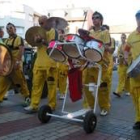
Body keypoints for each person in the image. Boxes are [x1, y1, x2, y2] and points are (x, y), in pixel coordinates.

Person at [24, 15, 58, 113]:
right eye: (39, 23)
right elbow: (33, 44)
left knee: (51, 86)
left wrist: (42, 41)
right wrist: (34, 40)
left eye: (42, 23)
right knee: (36, 85)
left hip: (50, 63)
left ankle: (52, 105)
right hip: (39, 63)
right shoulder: (39, 32)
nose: (40, 25)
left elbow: (52, 46)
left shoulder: (53, 31)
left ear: (47, 22)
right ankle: (33, 105)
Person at [80, 11, 111, 116]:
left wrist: (98, 45)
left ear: (101, 20)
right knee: (86, 85)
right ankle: (90, 107)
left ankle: (104, 107)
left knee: (102, 87)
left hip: (101, 63)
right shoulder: (90, 32)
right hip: (90, 62)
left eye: (97, 17)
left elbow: (108, 47)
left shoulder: (105, 32)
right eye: (93, 18)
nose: (94, 19)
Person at [0, 23, 30, 106]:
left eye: (10, 28)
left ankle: (27, 97)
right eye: (7, 29)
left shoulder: (19, 39)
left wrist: (18, 61)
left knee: (20, 81)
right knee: (2, 81)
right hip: (7, 66)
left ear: (15, 29)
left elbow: (21, 50)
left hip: (16, 64)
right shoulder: (6, 40)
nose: (9, 30)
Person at [124, 10, 140, 129]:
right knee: (134, 95)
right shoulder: (132, 35)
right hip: (135, 70)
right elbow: (126, 49)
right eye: (138, 18)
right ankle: (138, 119)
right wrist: (125, 57)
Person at [102, 25, 116, 95]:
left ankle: (107, 97)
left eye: (105, 30)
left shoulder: (111, 39)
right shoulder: (100, 38)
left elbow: (111, 51)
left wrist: (105, 46)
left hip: (108, 61)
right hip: (101, 61)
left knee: (107, 80)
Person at [57, 29, 69, 100]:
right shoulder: (56, 41)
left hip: (63, 62)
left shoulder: (65, 40)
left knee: (62, 78)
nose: (58, 34)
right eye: (57, 32)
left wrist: (63, 38)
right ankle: (59, 91)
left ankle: (63, 93)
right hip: (56, 61)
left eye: (59, 32)